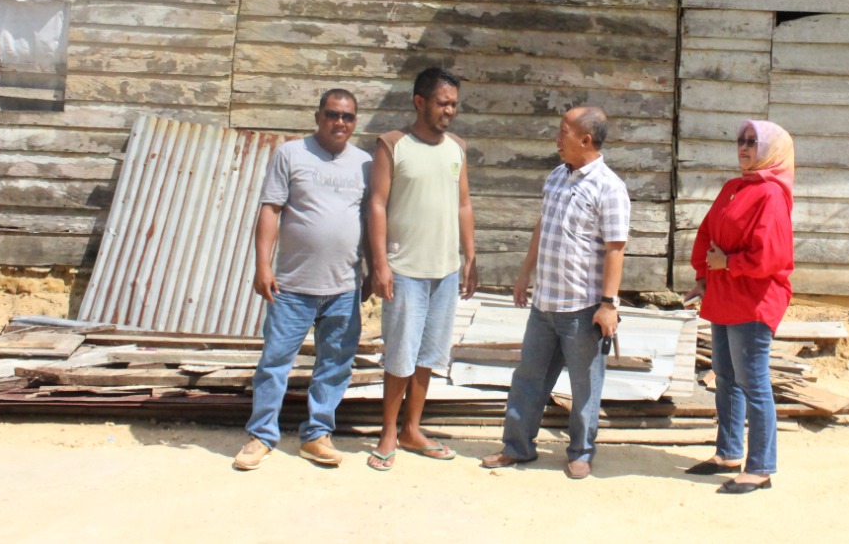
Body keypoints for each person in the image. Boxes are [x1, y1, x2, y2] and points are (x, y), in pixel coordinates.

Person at [480, 106, 630, 480]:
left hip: (582, 308)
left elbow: (615, 249)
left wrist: (608, 304)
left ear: (586, 140)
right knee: (528, 378)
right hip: (545, 303)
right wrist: (523, 276)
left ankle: (581, 452)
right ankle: (517, 446)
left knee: (584, 386)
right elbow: (541, 228)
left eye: (564, 131)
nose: (557, 137)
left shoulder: (609, 188)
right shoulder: (555, 178)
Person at [233, 89, 371, 471]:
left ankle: (316, 435)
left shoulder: (364, 163)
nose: (339, 122)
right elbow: (270, 210)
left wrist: (374, 269)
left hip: (344, 286)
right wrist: (263, 266)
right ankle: (261, 436)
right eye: (332, 114)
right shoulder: (291, 154)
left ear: (354, 121)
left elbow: (370, 219)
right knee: (275, 362)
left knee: (335, 364)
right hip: (292, 286)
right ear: (318, 116)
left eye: (347, 116)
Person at [366, 67, 477, 471]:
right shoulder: (393, 145)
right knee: (400, 355)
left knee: (429, 354)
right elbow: (376, 204)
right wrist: (380, 263)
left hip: (445, 270)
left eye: (454, 104)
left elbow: (464, 203)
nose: (450, 110)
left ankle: (413, 429)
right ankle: (388, 433)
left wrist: (470, 257)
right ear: (420, 102)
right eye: (443, 102)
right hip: (406, 269)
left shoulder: (457, 148)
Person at [682, 119, 794, 495]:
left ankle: (760, 466)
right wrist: (703, 276)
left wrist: (729, 264)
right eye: (741, 141)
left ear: (771, 150)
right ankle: (729, 453)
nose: (744, 148)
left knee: (753, 383)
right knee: (726, 378)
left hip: (754, 299)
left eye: (752, 142)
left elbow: (772, 256)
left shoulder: (771, 195)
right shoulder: (735, 187)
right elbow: (707, 232)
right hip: (724, 294)